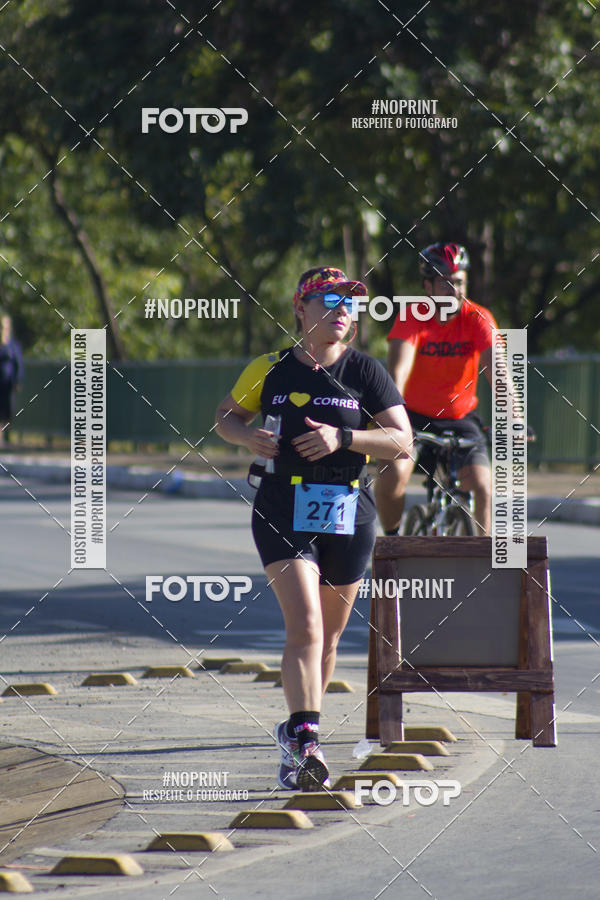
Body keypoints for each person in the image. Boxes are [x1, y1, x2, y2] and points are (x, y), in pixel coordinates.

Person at [215, 266, 411, 791]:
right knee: (304, 625)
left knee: (328, 636)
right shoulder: (271, 368)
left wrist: (344, 438)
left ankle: (297, 729)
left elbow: (401, 440)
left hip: (348, 509)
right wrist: (245, 436)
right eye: (329, 300)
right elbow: (226, 416)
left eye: (350, 303)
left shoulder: (366, 371)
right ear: (301, 309)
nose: (342, 311)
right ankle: (306, 741)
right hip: (282, 505)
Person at [375, 243, 497, 536]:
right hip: (413, 417)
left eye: (459, 282)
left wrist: (514, 417)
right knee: (393, 476)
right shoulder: (412, 316)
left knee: (483, 487)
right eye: (445, 283)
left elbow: (499, 372)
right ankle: (392, 543)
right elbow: (398, 372)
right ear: (428, 285)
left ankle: (484, 564)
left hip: (461, 419)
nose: (453, 290)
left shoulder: (479, 318)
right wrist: (392, 422)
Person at [0, 312, 24, 447]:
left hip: (8, 383)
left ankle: (6, 436)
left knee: (8, 410)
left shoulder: (13, 346)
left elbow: (18, 364)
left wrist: (17, 380)